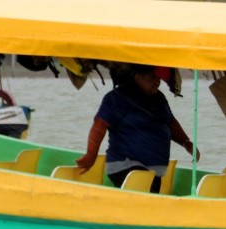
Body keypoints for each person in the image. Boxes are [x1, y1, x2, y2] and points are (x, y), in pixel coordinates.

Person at [75, 63, 198, 193]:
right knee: (146, 198)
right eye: (152, 77)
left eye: (158, 78)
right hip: (126, 165)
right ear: (138, 77)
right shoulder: (117, 97)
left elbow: (170, 123)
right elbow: (99, 125)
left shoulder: (159, 98)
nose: (157, 82)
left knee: (150, 201)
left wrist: (186, 142)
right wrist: (91, 155)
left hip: (153, 171)